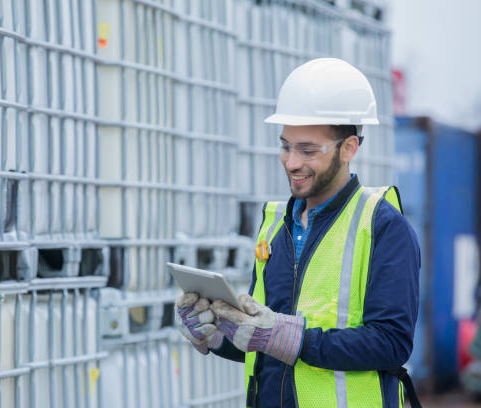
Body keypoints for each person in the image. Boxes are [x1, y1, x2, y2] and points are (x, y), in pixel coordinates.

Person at [175, 58, 420, 408]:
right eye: (286, 146)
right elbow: (264, 343)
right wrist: (216, 333)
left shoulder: (383, 226)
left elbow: (391, 343)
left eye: (307, 150)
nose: (291, 162)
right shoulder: (276, 225)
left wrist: (293, 339)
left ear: (349, 148)